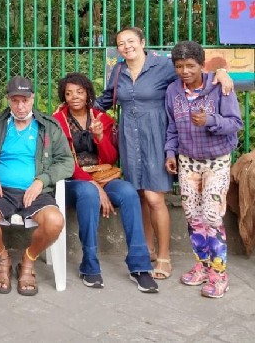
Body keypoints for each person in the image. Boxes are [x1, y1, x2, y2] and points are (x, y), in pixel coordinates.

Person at [95, 27, 233, 280]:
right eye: (121, 43)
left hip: (157, 137)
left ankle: (164, 257)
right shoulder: (118, 70)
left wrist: (221, 73)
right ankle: (147, 249)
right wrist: (75, 109)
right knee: (139, 194)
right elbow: (105, 100)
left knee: (154, 197)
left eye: (131, 41)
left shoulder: (163, 65)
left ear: (142, 42)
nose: (126, 46)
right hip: (129, 139)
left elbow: (194, 71)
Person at [53, 73, 158, 293]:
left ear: (88, 94)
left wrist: (100, 137)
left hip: (103, 175)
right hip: (73, 181)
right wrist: (94, 186)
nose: (74, 97)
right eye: (69, 93)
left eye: (79, 92)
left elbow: (110, 158)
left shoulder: (102, 119)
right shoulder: (57, 121)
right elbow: (63, 162)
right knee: (88, 193)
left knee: (128, 192)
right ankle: (89, 264)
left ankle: (140, 266)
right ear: (64, 96)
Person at [0, 76, 74, 296]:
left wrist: (41, 181)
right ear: (8, 100)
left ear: (33, 98)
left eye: (25, 100)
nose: (20, 106)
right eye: (15, 100)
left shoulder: (48, 127)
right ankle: (3, 257)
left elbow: (67, 162)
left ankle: (28, 260)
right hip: (1, 191)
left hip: (36, 192)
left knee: (55, 221)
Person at [164, 41, 242, 298]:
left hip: (216, 161)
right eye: (179, 66)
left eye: (190, 66)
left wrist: (210, 121)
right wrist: (170, 153)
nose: (185, 71)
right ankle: (203, 267)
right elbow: (172, 127)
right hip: (188, 161)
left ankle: (219, 275)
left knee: (211, 216)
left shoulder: (220, 86)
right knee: (193, 217)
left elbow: (235, 123)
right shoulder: (173, 91)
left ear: (201, 65)